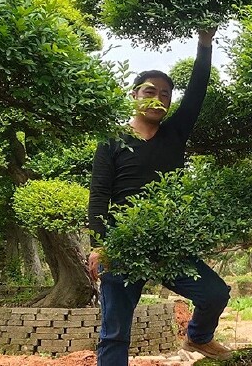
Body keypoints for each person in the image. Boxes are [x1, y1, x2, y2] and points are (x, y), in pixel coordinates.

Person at [88, 30, 232, 365]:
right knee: (114, 333)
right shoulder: (112, 141)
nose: (159, 98)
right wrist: (99, 243)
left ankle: (198, 337)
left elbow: (196, 92)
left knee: (214, 293)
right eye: (150, 91)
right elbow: (99, 196)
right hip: (122, 245)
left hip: (169, 245)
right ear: (135, 95)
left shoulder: (175, 134)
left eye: (166, 94)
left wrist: (204, 45)